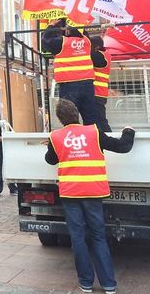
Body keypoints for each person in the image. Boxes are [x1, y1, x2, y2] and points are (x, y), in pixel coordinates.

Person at [45, 99, 134, 294]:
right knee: (98, 236)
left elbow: (50, 160)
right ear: (77, 113)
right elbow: (122, 147)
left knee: (77, 238)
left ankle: (85, 283)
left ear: (60, 119)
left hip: (70, 193)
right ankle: (109, 284)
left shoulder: (56, 136)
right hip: (94, 192)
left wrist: (51, 145)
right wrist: (128, 131)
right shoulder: (93, 131)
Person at [42, 18, 105, 125]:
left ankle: (74, 138)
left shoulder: (62, 42)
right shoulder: (86, 41)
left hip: (68, 85)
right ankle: (92, 138)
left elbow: (45, 41)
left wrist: (51, 25)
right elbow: (83, 32)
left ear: (67, 31)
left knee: (68, 117)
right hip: (87, 85)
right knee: (90, 118)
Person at [91, 36, 112, 132]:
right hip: (100, 93)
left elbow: (88, 54)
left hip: (97, 93)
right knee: (99, 120)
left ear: (96, 46)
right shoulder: (105, 54)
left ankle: (109, 139)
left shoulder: (99, 55)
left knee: (100, 120)